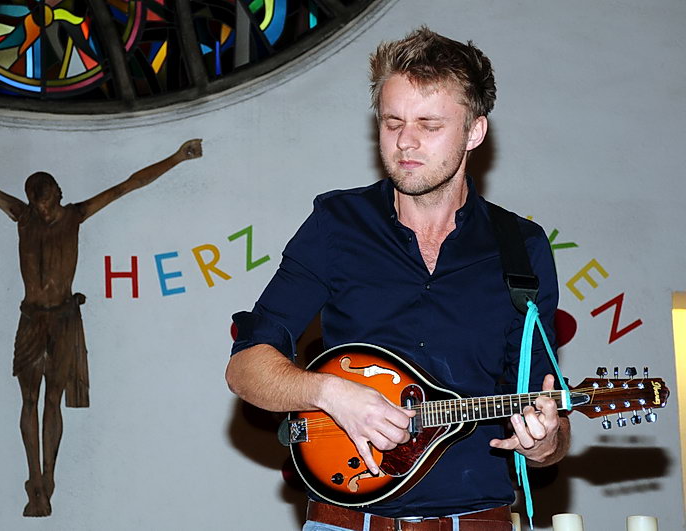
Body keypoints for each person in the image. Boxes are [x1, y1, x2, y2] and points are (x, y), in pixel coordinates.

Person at [225, 26, 570, 530]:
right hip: (345, 520)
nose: (406, 141)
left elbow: (546, 411)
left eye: (429, 125)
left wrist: (544, 443)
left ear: (474, 131)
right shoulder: (336, 225)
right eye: (392, 122)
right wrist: (329, 393)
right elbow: (246, 368)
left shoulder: (522, 247)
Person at [0, 123, 202, 517]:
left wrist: (177, 157)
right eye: (36, 198)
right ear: (31, 199)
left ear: (57, 193)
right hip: (32, 317)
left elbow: (128, 185)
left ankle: (47, 479)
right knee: (29, 398)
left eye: (46, 195)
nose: (42, 204)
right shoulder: (22, 217)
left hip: (63, 318)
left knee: (53, 398)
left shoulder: (75, 215)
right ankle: (33, 479)